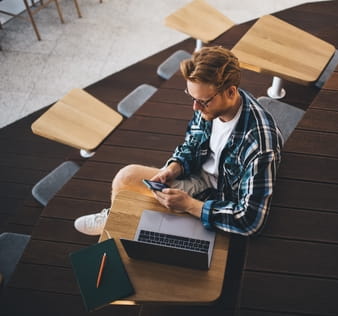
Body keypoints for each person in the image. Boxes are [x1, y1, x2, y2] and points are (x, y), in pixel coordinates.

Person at [74, 46, 282, 237]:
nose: (195, 108)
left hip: (222, 201)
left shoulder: (260, 144)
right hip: (198, 179)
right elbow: (193, 142)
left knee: (156, 228)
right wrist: (174, 167)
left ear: (231, 91)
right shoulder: (209, 106)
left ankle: (124, 227)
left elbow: (251, 221)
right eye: (192, 98)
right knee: (125, 177)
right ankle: (115, 220)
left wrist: (190, 205)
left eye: (202, 101)